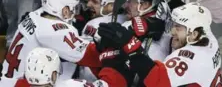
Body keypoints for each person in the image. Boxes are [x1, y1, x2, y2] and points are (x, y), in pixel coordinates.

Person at [98, 2, 222, 86]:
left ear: (194, 34)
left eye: (178, 27)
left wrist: (129, 43)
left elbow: (157, 80)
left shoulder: (191, 58)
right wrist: (155, 25)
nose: (172, 31)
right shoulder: (208, 38)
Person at [1, 0, 102, 81]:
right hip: (23, 82)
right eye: (73, 7)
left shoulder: (35, 14)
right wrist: (111, 49)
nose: (75, 12)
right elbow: (90, 56)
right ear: (65, 10)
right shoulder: (55, 32)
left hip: (8, 78)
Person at [77, 0, 129, 82]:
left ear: (112, 6)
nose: (88, 5)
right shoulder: (129, 21)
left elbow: (87, 72)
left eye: (95, 2)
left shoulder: (95, 24)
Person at [0, 47, 131, 87]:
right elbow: (114, 83)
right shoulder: (70, 85)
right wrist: (112, 62)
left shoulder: (15, 84)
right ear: (53, 75)